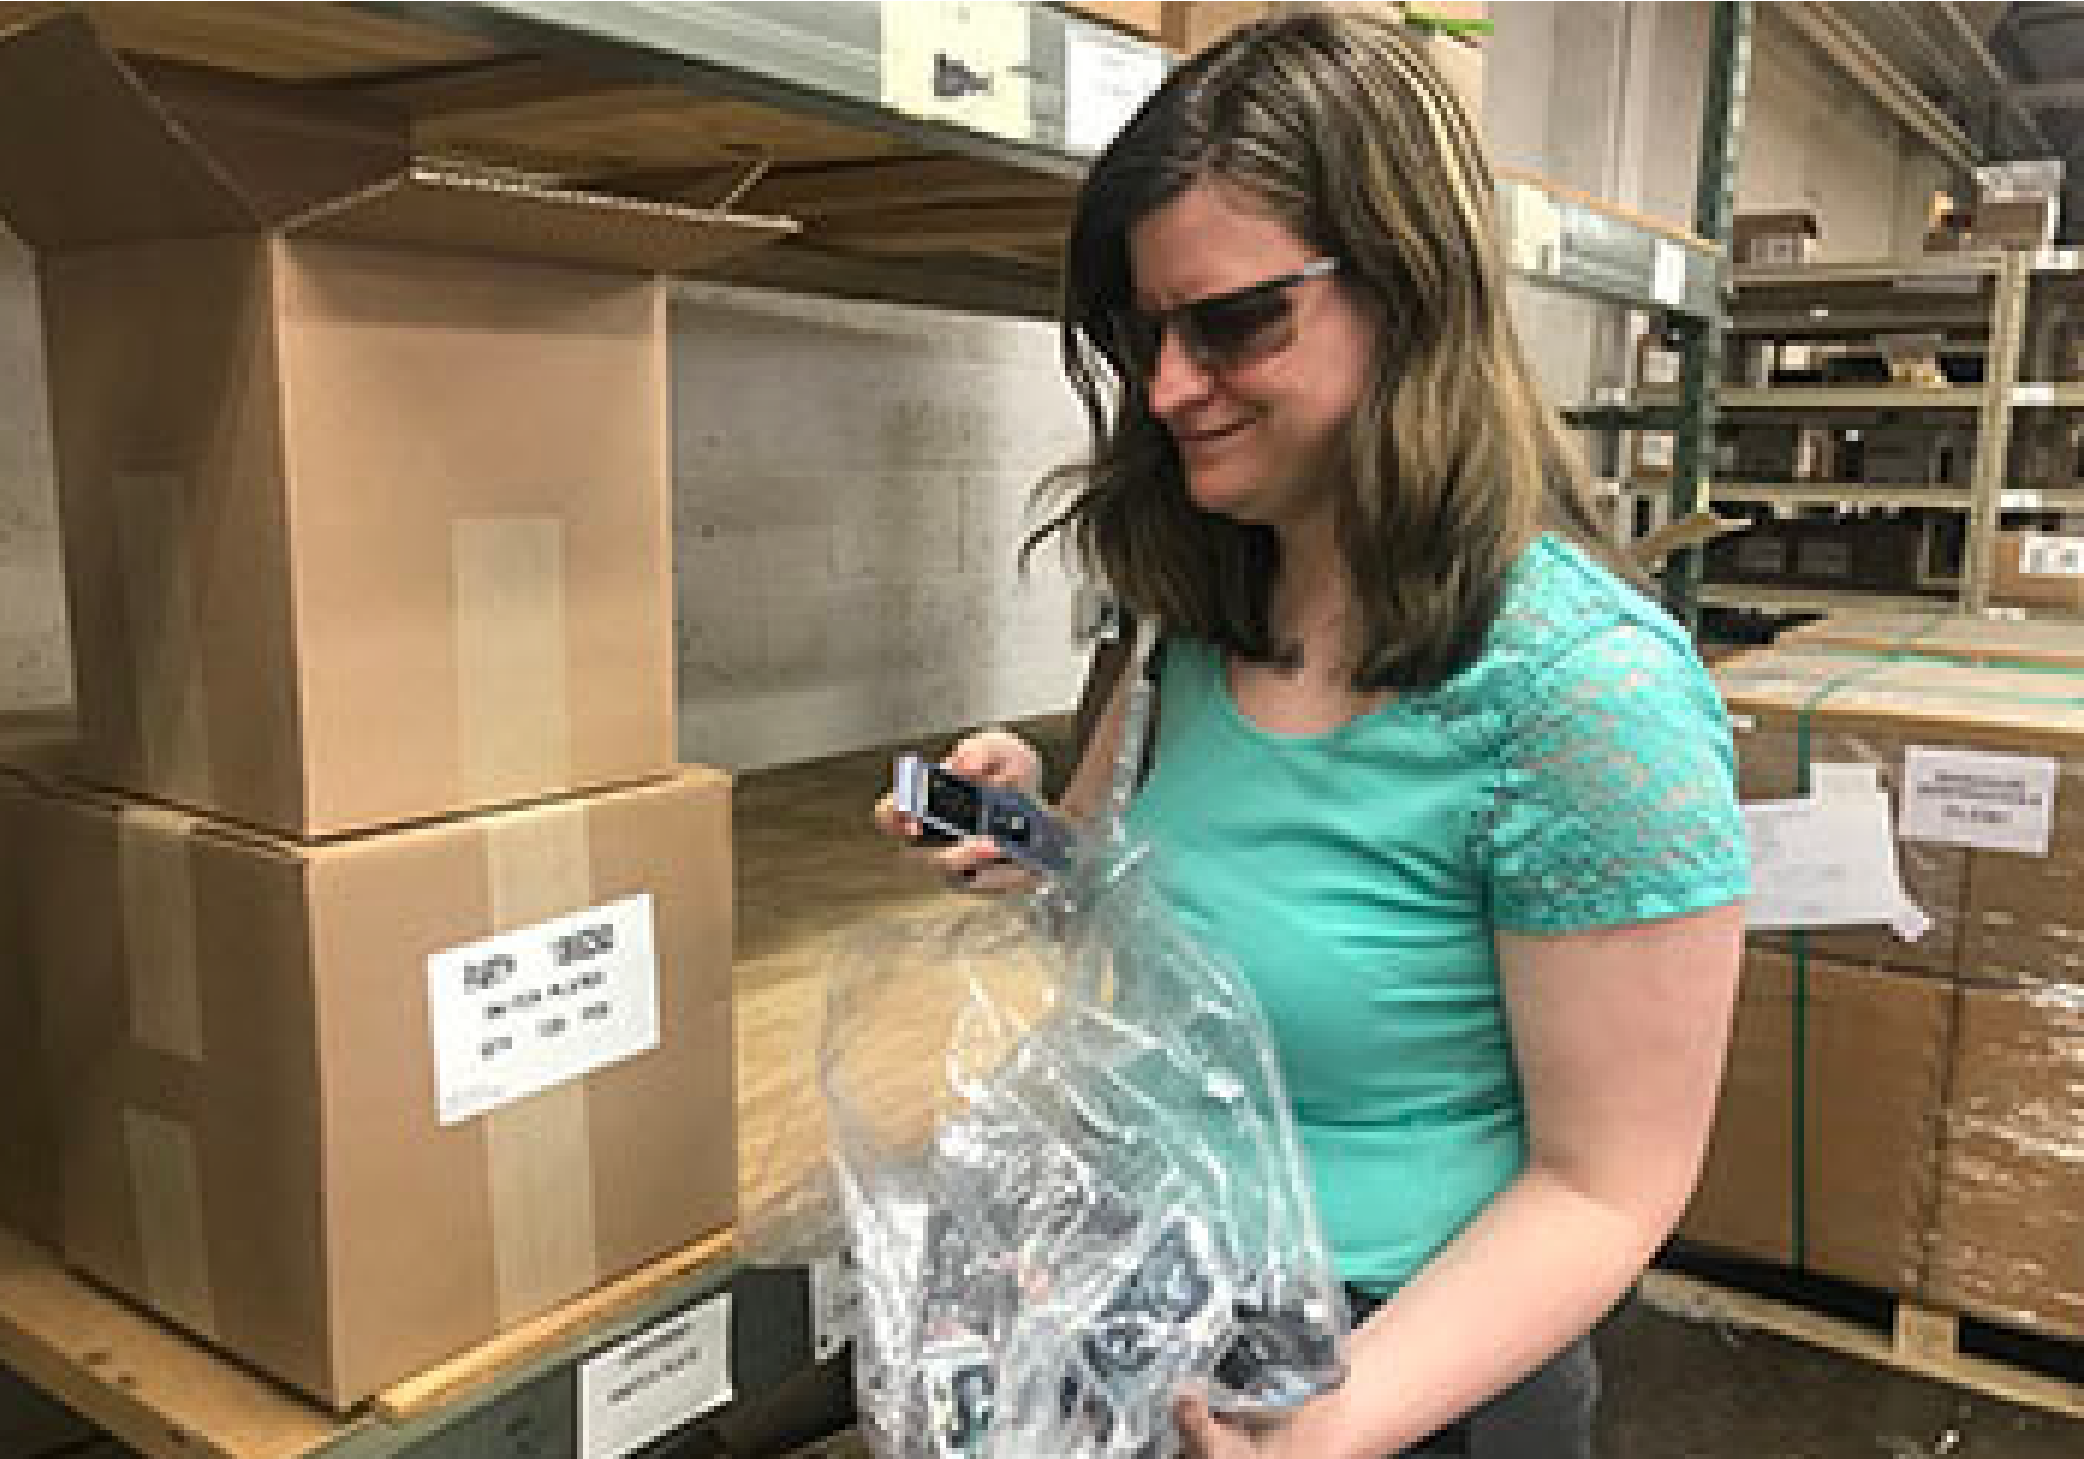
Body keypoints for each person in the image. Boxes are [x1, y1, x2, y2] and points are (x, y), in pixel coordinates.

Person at [872, 8, 1748, 1456]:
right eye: (1144, 334)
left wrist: (1328, 1423)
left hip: (1393, 1387)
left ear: (1406, 289)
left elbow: (1606, 1189)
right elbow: (1124, 891)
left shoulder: (1590, 699)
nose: (1165, 389)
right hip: (1153, 1326)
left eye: (1232, 323)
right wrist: (1026, 830)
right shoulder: (1203, 605)